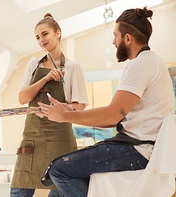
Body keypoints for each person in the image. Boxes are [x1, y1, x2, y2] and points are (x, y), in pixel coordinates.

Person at [38, 7, 175, 197]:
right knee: (57, 193)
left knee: (58, 170)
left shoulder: (140, 65)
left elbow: (112, 116)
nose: (113, 41)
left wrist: (66, 116)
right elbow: (116, 112)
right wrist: (71, 111)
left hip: (137, 150)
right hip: (139, 145)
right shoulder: (152, 61)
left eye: (115, 36)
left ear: (128, 38)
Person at [10, 13, 89, 197]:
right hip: (32, 139)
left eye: (45, 34)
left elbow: (79, 107)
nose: (41, 40)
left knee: (58, 193)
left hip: (59, 141)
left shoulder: (72, 67)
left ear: (58, 33)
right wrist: (45, 78)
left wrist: (56, 110)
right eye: (37, 37)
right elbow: (22, 98)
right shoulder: (32, 65)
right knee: (18, 191)